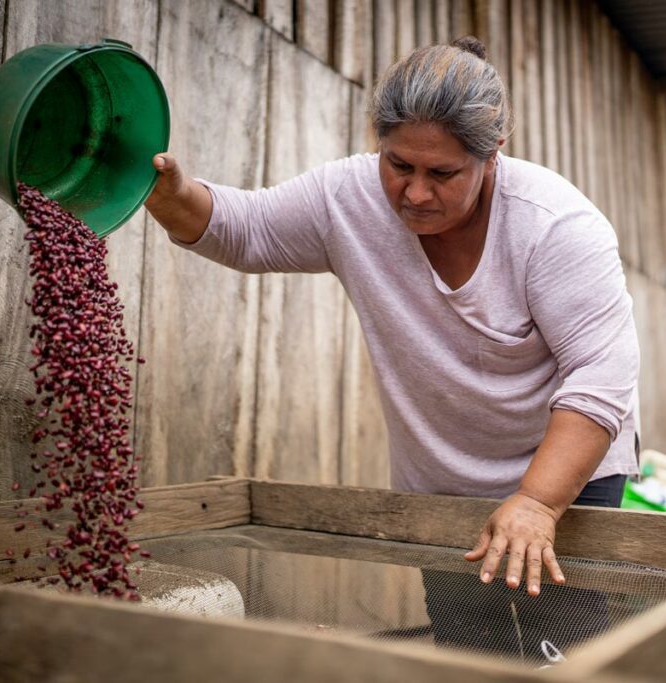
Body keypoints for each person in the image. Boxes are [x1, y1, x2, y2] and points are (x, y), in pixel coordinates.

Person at [144, 37, 640, 603]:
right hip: (441, 484)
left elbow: (600, 377)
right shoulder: (348, 197)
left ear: (493, 152)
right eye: (399, 165)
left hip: (565, 479)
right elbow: (247, 229)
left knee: (563, 649)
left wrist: (537, 502)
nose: (416, 192)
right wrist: (171, 194)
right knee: (467, 648)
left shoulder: (555, 226)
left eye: (444, 173)